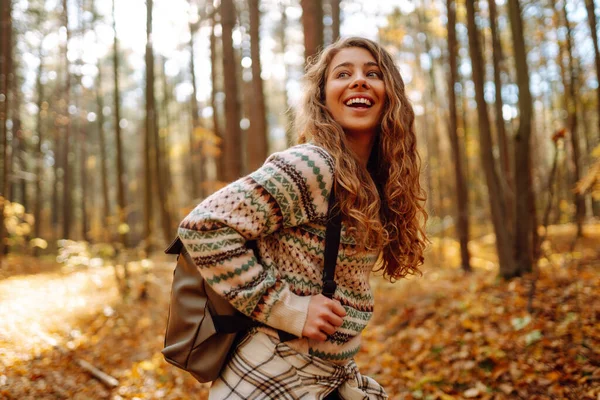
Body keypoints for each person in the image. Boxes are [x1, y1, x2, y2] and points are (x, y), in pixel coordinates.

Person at [177, 36, 428, 399]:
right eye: (343, 74)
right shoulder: (312, 165)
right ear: (322, 96)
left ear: (391, 94)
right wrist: (288, 308)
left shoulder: (369, 179)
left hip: (325, 377)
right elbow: (203, 227)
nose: (359, 80)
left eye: (373, 73)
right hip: (271, 378)